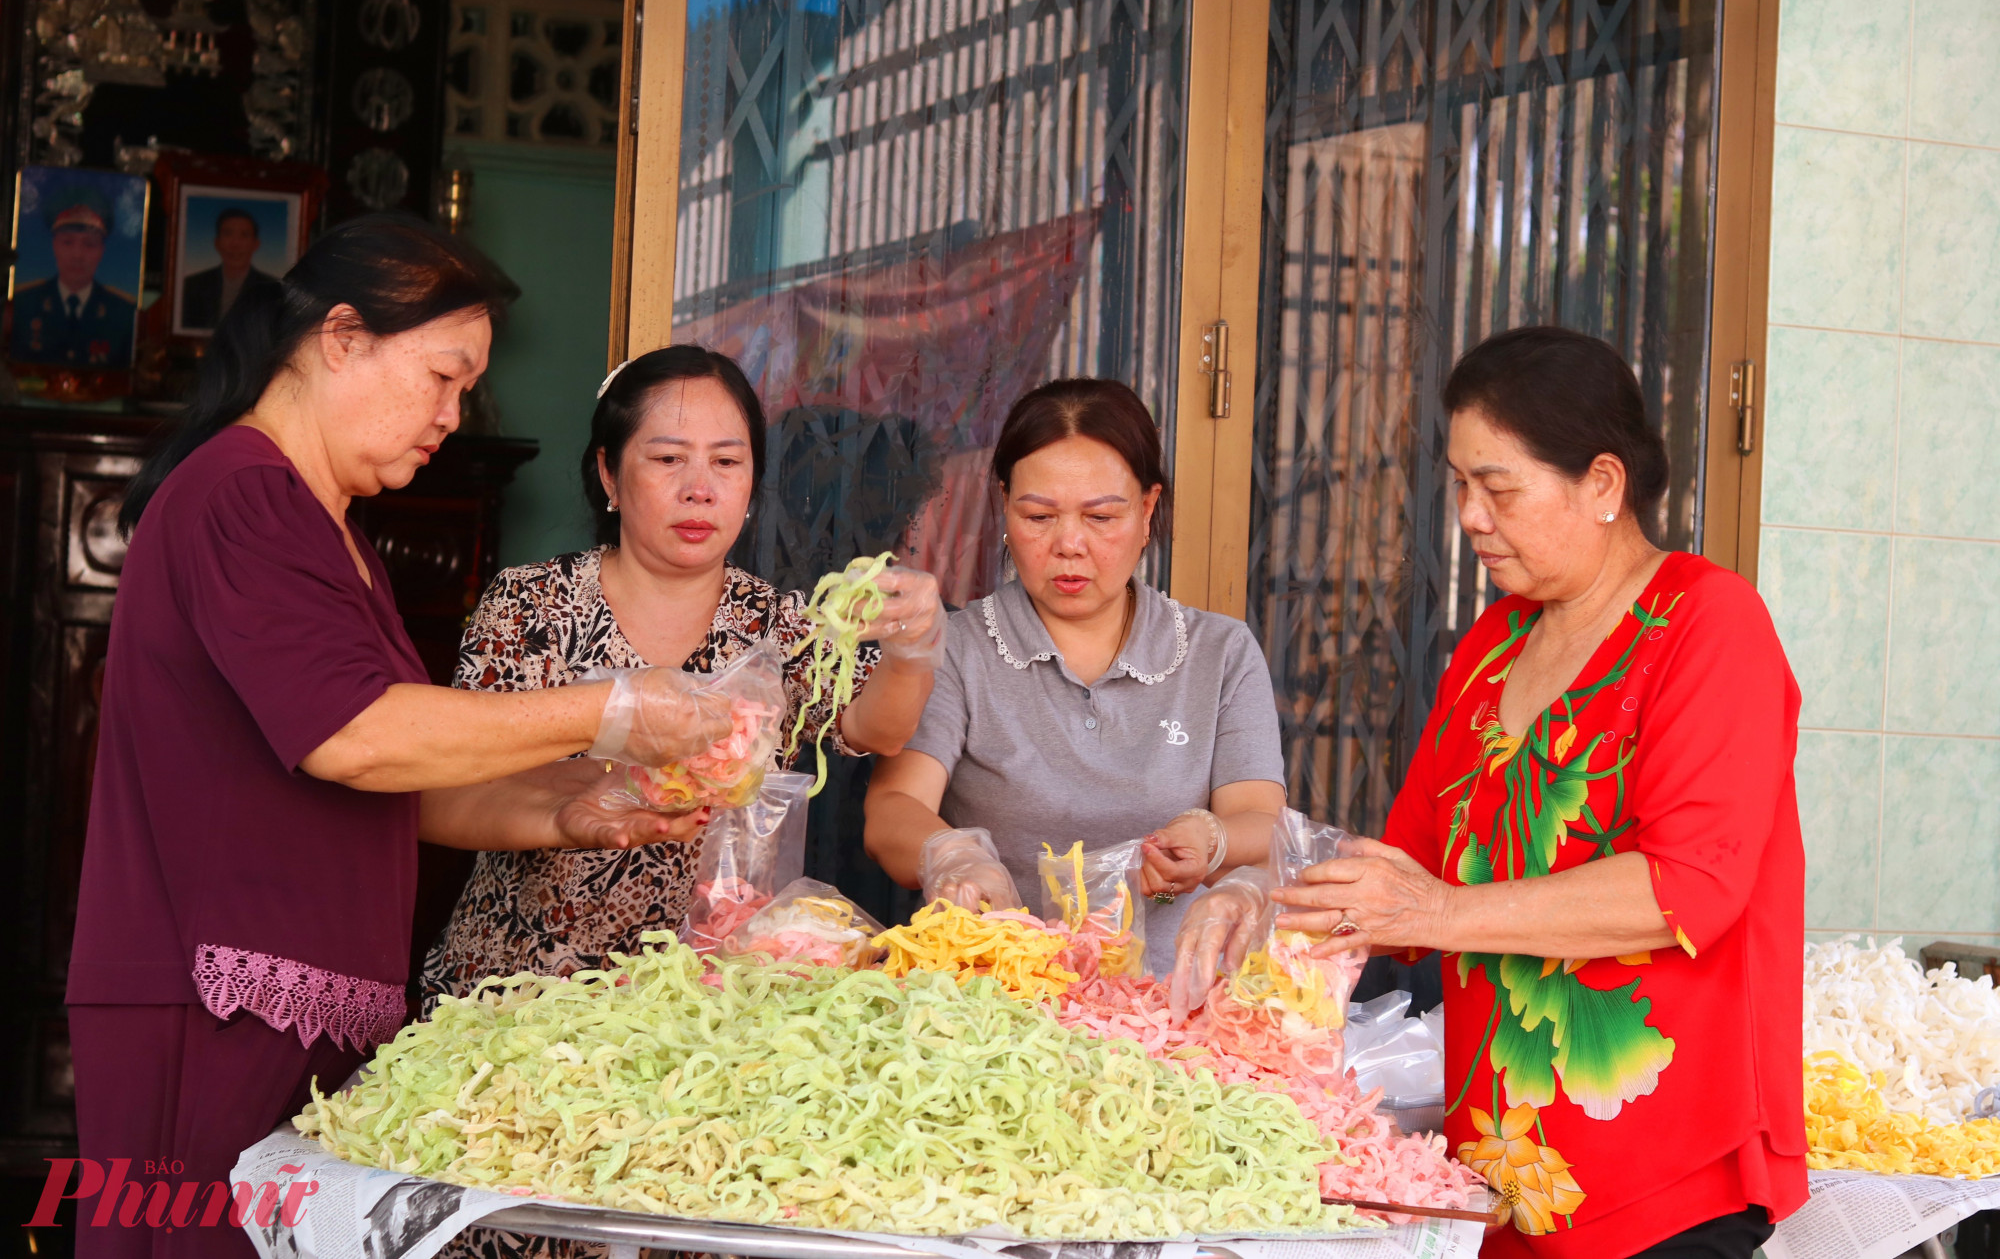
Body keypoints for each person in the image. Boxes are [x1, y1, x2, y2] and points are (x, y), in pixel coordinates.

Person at [67, 216, 733, 1259]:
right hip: (214, 1009)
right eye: (441, 375)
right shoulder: (239, 494)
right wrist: (614, 705)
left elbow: (402, 784)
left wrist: (567, 803)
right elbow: (356, 736)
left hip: (303, 1017)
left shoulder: (332, 530)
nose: (450, 414)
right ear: (341, 337)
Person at [1245, 327, 1807, 1257]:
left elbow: (1689, 885)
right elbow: (1407, 873)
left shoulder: (1707, 624)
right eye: (1461, 485)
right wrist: (1264, 897)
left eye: (1499, 488)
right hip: (1500, 1183)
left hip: (1664, 1182)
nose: (1469, 515)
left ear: (1602, 484)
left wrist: (1442, 910)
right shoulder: (1493, 645)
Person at [419, 345, 943, 1001]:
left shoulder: (774, 624)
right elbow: (440, 798)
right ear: (609, 474)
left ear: (752, 482)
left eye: (727, 462)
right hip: (519, 988)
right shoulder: (530, 604)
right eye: (668, 459)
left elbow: (879, 729)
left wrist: (912, 645)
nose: (700, 487)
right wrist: (562, 814)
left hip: (707, 1004)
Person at [864, 378, 1286, 969]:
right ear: (1004, 506)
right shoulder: (959, 648)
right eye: (1038, 516)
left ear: (1147, 510)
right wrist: (952, 855)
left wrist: (1211, 838)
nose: (1068, 544)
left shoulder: (1219, 652)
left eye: (1100, 517)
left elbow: (1260, 820)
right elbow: (892, 809)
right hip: (996, 998)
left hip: (1172, 1006)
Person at [9, 195, 138, 367]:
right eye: (67, 243)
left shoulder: (123, 311)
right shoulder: (24, 302)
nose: (77, 255)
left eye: (89, 244)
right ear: (54, 246)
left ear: (102, 251)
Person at [181, 206, 283, 330]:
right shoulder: (193, 286)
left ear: (256, 244)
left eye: (244, 235)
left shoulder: (271, 288)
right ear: (217, 242)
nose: (235, 244)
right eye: (228, 234)